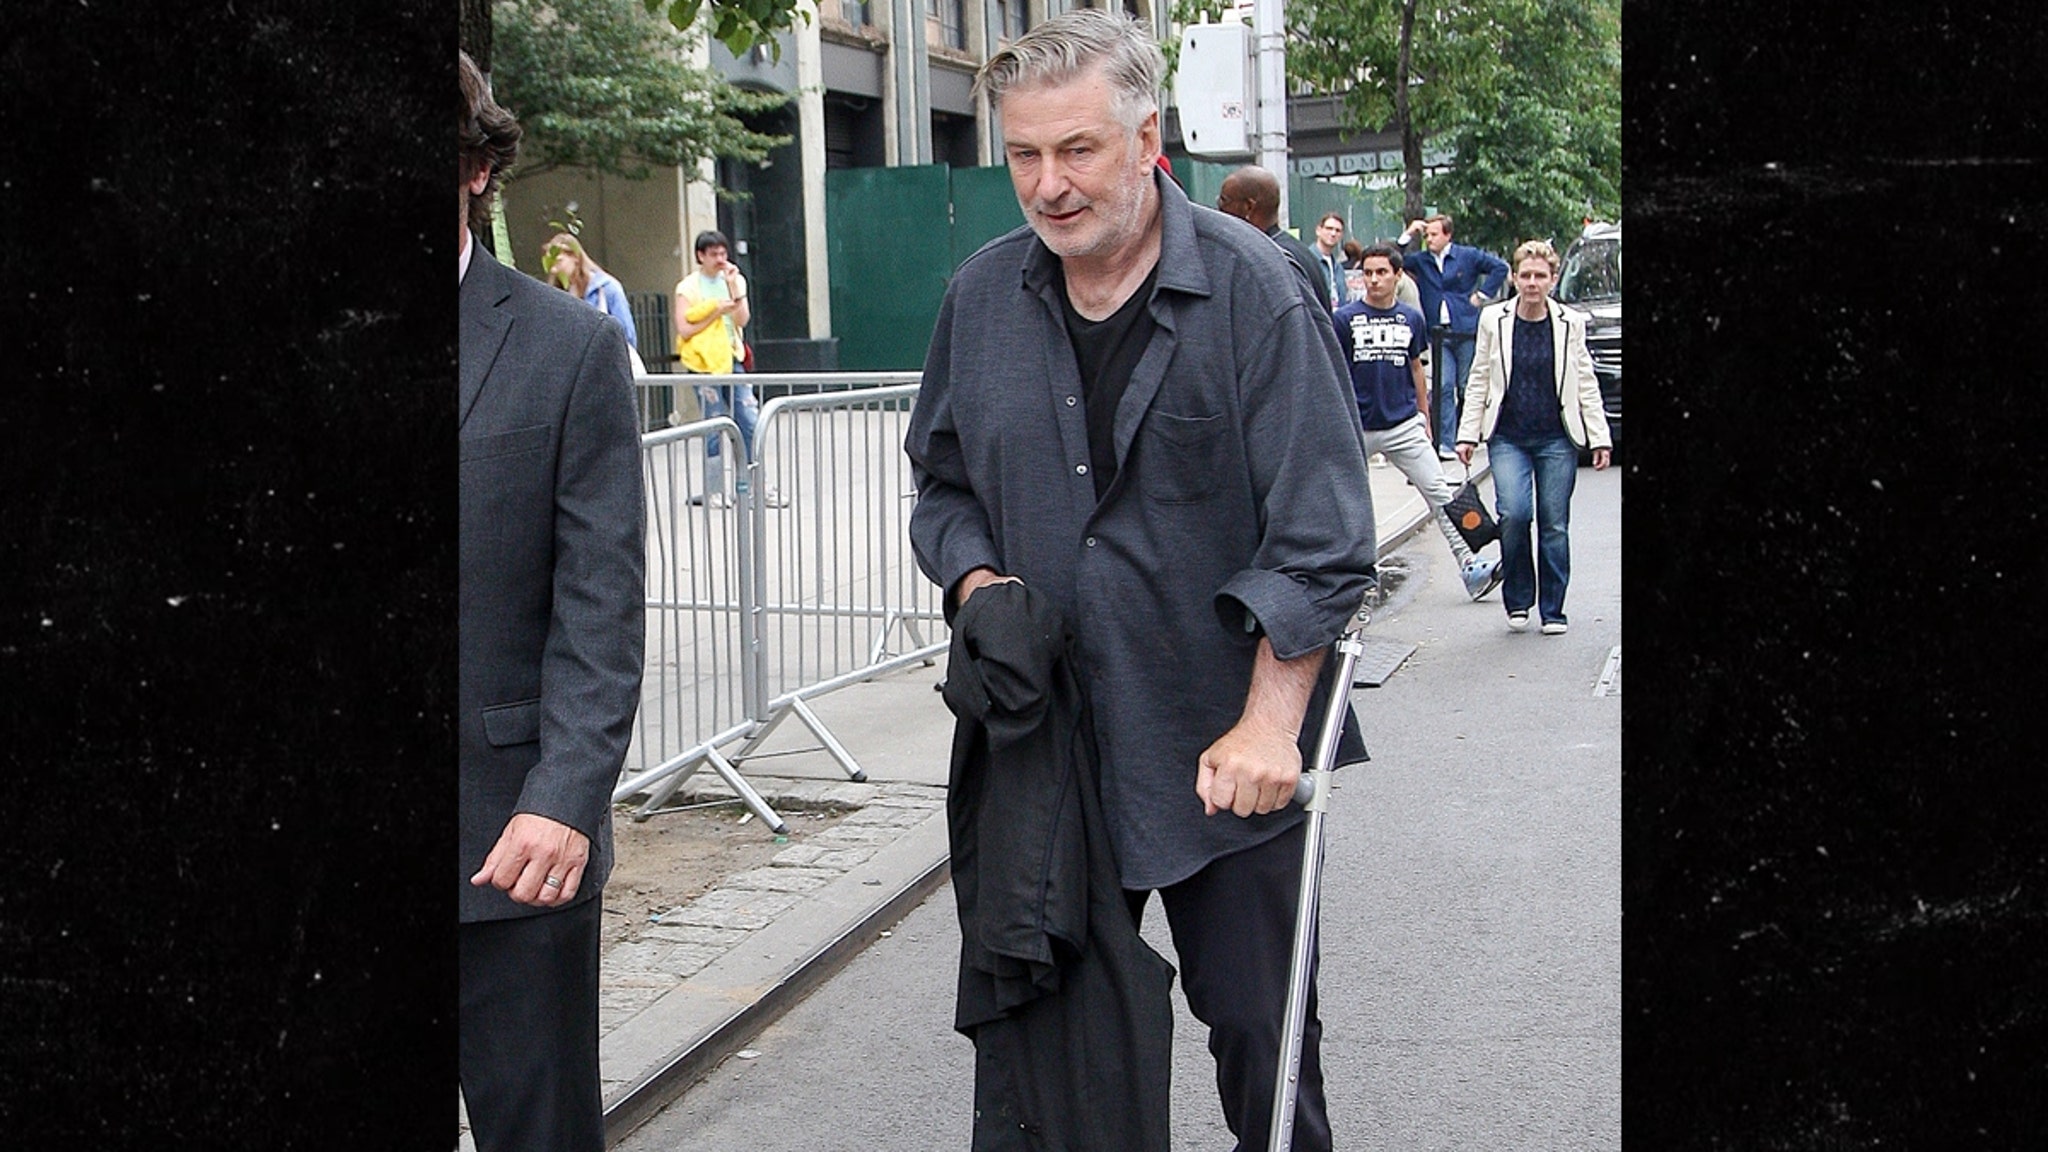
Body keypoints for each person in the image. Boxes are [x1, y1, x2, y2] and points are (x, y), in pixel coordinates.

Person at [903, 11, 1377, 1151]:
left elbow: (1322, 542)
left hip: (1224, 752)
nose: (1048, 184)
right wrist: (978, 591)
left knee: (1263, 1053)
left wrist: (1270, 726)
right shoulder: (979, 299)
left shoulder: (1259, 294)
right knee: (1049, 1068)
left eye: (1077, 150)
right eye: (1023, 155)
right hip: (1051, 747)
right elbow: (940, 486)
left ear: (1145, 135)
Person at [457, 51, 646, 1152]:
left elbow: (600, 601)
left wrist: (565, 797)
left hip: (507, 844)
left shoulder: (567, 347)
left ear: (476, 166)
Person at [1454, 238, 1612, 635]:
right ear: (1515, 278)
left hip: (1556, 438)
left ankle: (1554, 609)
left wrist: (1600, 437)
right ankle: (1519, 599)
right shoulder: (1495, 320)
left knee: (1554, 524)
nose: (1532, 283)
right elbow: (1479, 379)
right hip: (1508, 436)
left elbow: (1585, 383)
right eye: (1525, 275)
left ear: (1553, 280)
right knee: (1515, 514)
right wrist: (1467, 433)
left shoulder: (1569, 323)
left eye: (1540, 276)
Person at [1335, 244, 1503, 602]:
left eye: (1382, 272)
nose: (1374, 280)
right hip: (1356, 426)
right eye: (1368, 273)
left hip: (1403, 423)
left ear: (1398, 276)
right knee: (1352, 502)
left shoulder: (1411, 318)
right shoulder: (1345, 319)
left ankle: (1471, 564)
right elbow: (1336, 370)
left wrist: (1424, 417)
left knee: (1441, 494)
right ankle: (1355, 576)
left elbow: (1416, 369)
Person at [674, 230, 783, 507]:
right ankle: (714, 489)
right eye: (713, 254)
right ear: (701, 256)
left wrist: (735, 290)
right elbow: (684, 328)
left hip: (731, 359)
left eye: (723, 253)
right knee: (714, 422)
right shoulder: (688, 288)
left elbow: (742, 319)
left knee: (748, 418)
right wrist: (713, 312)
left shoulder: (734, 281)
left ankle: (756, 484)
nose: (720, 260)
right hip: (703, 364)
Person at [1396, 214, 1509, 458]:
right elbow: (1395, 260)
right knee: (1444, 386)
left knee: (1467, 385)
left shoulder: (1466, 255)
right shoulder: (1422, 260)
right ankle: (1446, 441)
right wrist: (1408, 234)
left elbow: (1500, 267)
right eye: (1427, 235)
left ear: (1447, 235)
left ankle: (1469, 434)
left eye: (1434, 234)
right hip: (1438, 333)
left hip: (1465, 328)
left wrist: (1483, 294)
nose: (1429, 239)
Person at [1215, 164, 1332, 315]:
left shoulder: (1271, 260)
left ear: (1248, 207)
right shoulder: (1300, 253)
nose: (1219, 209)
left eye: (1224, 201)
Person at [543, 231, 639, 353]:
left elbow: (627, 335)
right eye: (550, 264)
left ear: (576, 258)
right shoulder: (556, 296)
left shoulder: (607, 288)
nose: (554, 269)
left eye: (559, 261)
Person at [1310, 211, 1346, 309]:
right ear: (1318, 230)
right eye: (1329, 229)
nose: (1333, 233)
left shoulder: (1338, 268)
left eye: (1338, 230)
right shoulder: (1308, 260)